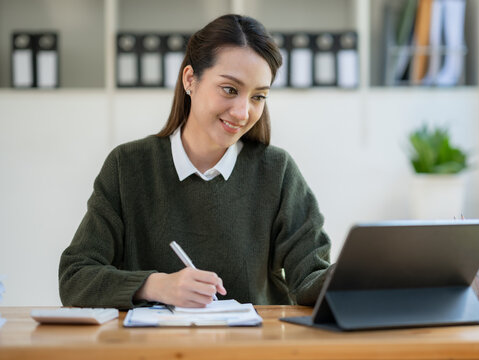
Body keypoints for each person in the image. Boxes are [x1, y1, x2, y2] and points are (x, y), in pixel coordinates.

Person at [58, 14, 331, 309]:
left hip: (250, 349)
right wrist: (155, 285)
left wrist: (366, 275)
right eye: (230, 89)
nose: (243, 112)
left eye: (258, 97)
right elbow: (76, 277)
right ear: (190, 79)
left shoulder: (276, 171)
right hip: (153, 351)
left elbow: (310, 278)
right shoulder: (128, 167)